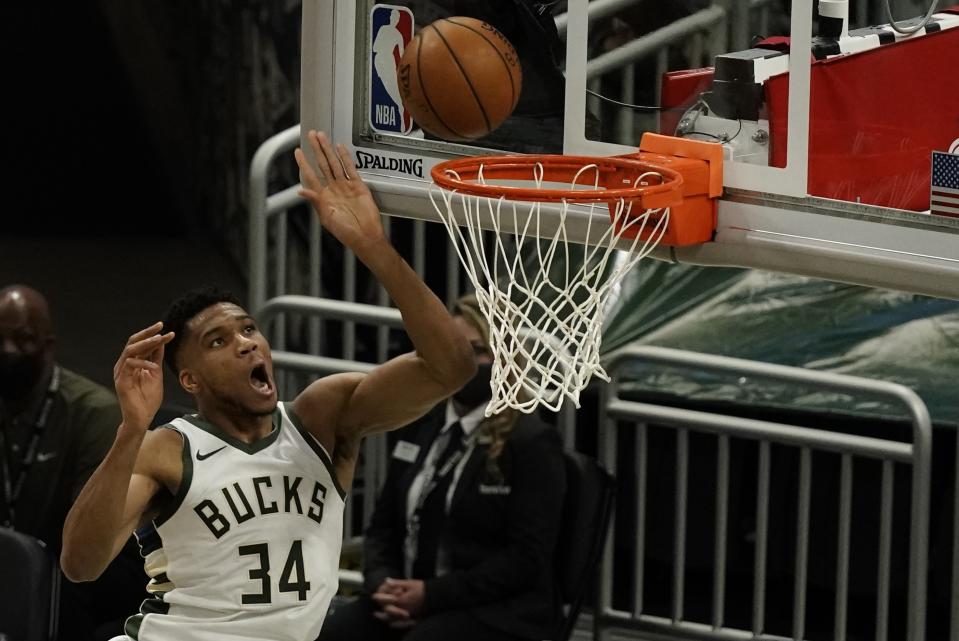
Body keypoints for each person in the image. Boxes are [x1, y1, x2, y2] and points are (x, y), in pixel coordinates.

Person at [59, 130, 476, 641]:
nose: (246, 343)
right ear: (188, 379)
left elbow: (451, 367)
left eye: (249, 328)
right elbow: (79, 565)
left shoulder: (322, 419)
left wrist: (372, 246)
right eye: (218, 341)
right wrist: (130, 430)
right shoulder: (167, 450)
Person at [318, 293, 567, 641]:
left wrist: (430, 597)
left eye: (476, 352)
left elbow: (524, 559)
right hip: (406, 598)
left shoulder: (531, 442)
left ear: (504, 358)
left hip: (492, 611)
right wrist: (383, 587)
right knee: (329, 634)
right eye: (455, 352)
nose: (464, 364)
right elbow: (382, 527)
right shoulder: (420, 420)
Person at [0, 284, 145, 640]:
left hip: (94, 562)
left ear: (48, 346)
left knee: (66, 577)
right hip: (19, 545)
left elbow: (91, 531)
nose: (8, 350)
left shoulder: (93, 413)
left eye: (23, 339)